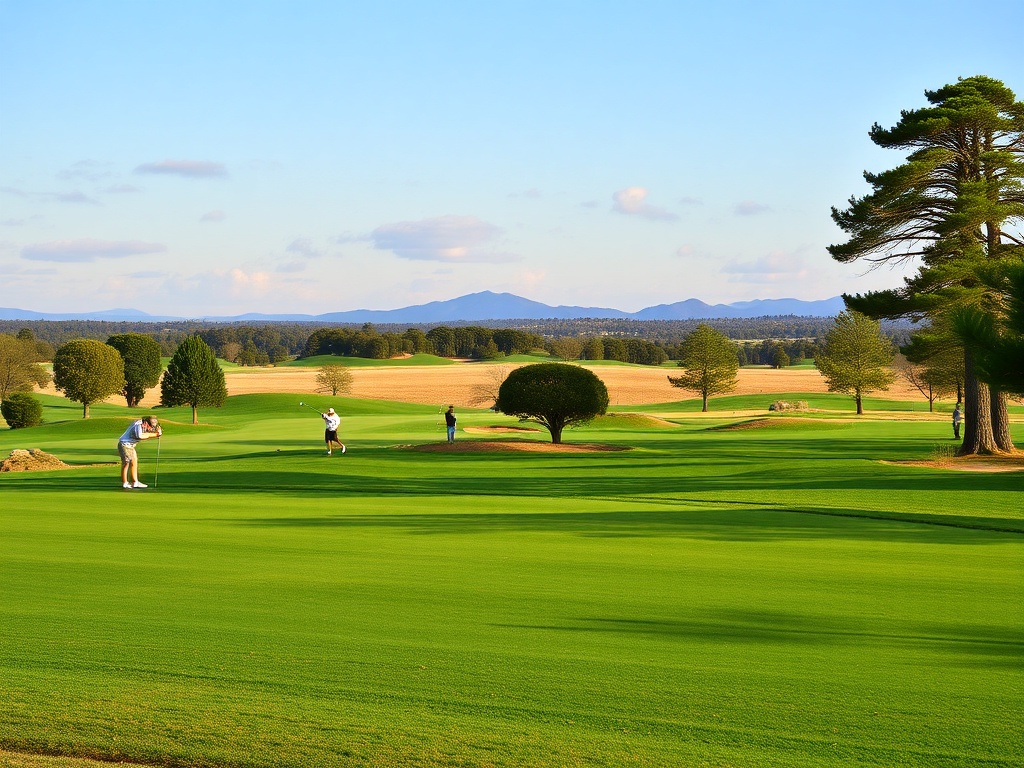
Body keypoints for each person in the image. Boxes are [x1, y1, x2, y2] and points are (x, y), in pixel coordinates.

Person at [118, 415, 161, 489]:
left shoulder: (143, 424)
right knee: (126, 463)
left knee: (134, 462)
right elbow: (140, 436)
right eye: (150, 425)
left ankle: (135, 482)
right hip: (124, 444)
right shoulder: (138, 425)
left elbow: (148, 432)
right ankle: (125, 483)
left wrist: (157, 432)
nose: (151, 427)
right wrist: (155, 435)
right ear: (146, 423)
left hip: (130, 446)